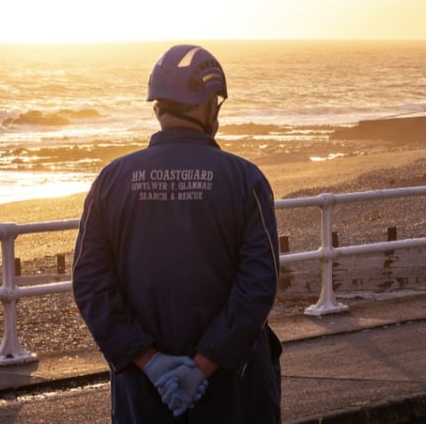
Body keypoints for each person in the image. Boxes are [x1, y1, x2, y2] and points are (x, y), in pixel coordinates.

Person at [72, 44, 282, 423]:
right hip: (234, 393)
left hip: (144, 396)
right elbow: (259, 284)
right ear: (208, 105)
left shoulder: (111, 181)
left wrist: (150, 363)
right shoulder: (244, 179)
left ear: (158, 108)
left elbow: (89, 283)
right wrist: (201, 367)